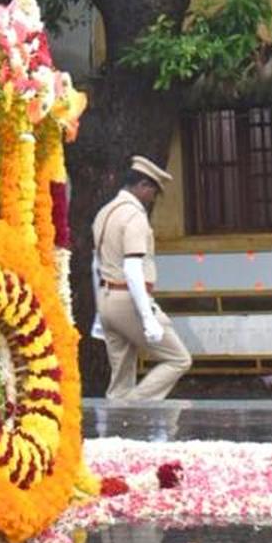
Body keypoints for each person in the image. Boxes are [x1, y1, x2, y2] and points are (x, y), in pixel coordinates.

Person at [91, 156, 192, 403]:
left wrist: (99, 311)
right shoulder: (134, 215)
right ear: (143, 186)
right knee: (179, 359)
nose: (152, 199)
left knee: (120, 381)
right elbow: (133, 268)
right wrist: (148, 317)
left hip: (107, 300)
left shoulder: (105, 212)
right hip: (129, 301)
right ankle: (131, 408)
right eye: (153, 192)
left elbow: (96, 264)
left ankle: (117, 429)